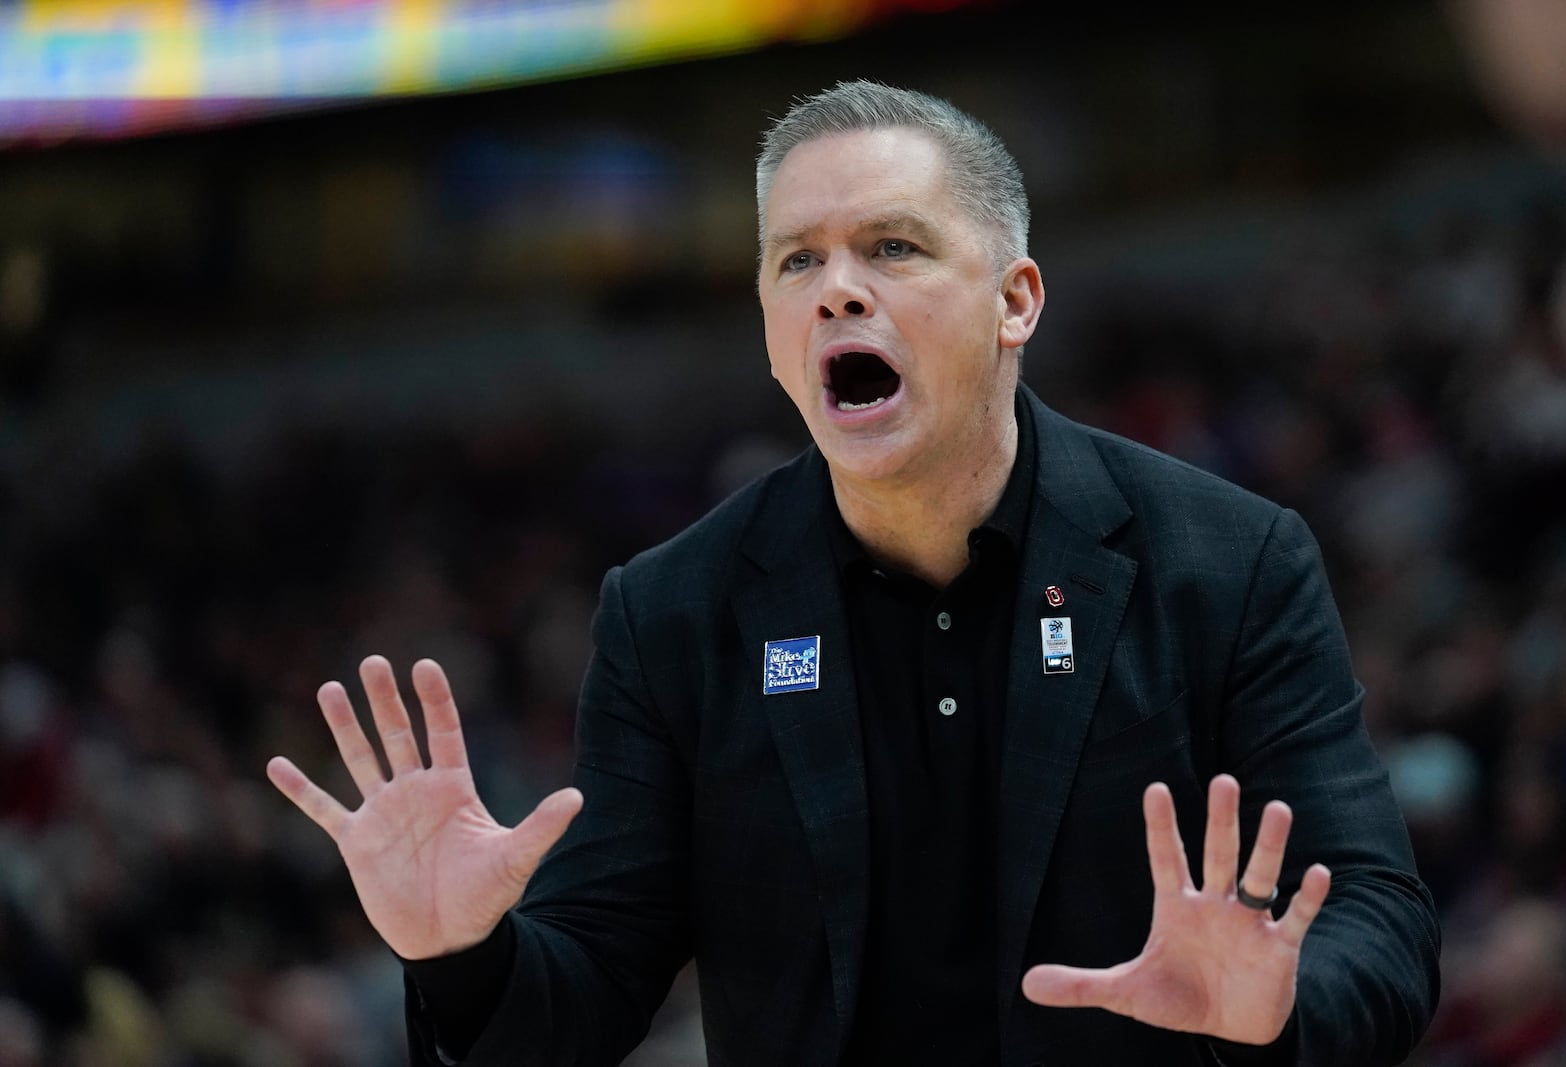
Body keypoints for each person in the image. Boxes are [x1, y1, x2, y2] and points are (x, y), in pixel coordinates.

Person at [266, 80, 1440, 1066]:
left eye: (893, 246)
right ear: (775, 335)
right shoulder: (674, 610)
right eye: (798, 261)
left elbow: (1382, 925)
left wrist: (1278, 1012)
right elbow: (581, 996)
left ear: (1014, 300)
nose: (837, 287)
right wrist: (458, 954)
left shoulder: (1226, 561)